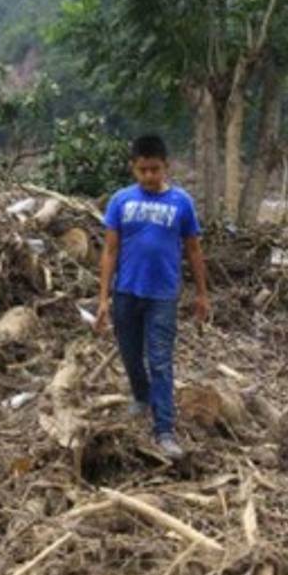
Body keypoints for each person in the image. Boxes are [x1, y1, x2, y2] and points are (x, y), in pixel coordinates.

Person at [95, 134, 209, 459]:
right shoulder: (121, 201)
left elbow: (194, 250)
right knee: (130, 354)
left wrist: (202, 294)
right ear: (133, 168)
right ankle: (141, 397)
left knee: (159, 361)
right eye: (143, 170)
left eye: (155, 169)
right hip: (126, 291)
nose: (149, 176)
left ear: (166, 167)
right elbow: (110, 250)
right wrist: (103, 298)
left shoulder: (181, 203)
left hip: (163, 295)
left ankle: (164, 429)